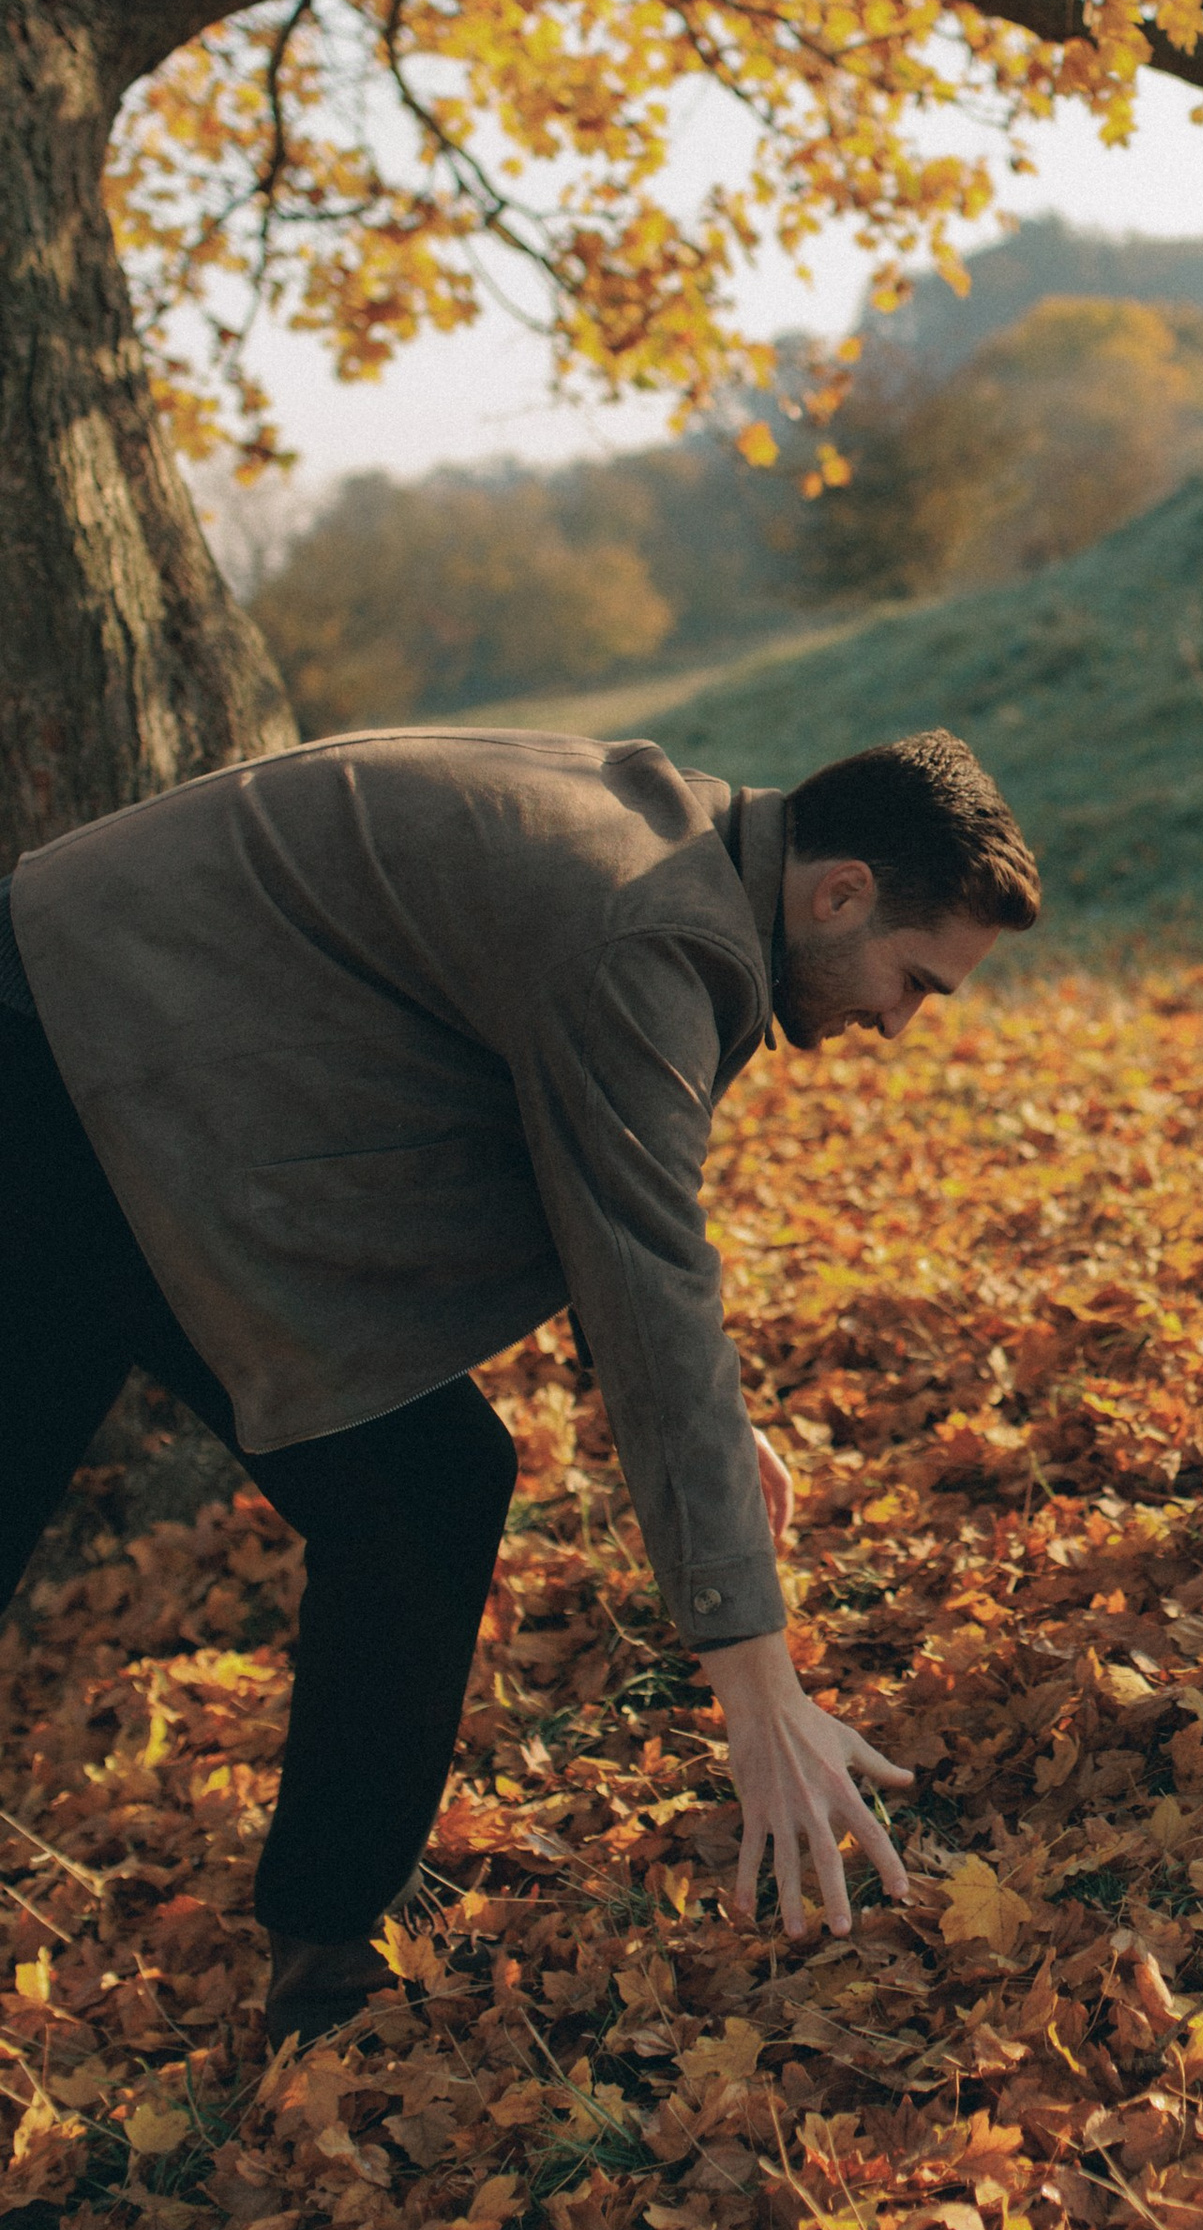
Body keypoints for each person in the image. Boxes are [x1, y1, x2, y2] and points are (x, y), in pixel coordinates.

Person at [0, 724, 1039, 2041]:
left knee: (423, 1491)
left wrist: (714, 1421)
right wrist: (758, 1691)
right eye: (914, 983)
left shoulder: (678, 852)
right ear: (839, 892)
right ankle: (323, 1966)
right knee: (420, 1491)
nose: (898, 1024)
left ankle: (325, 1963)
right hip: (55, 1068)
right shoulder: (658, 928)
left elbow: (603, 1205)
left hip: (127, 1091)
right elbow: (647, 1266)